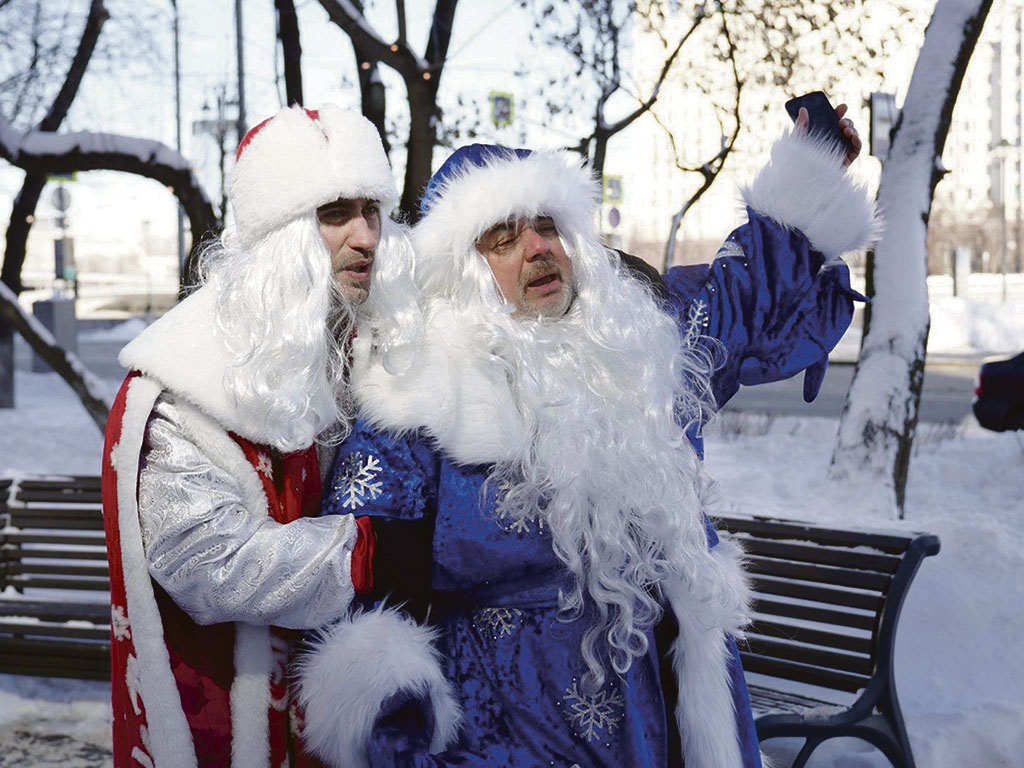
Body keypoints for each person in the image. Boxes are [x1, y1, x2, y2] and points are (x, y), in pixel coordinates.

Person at [296, 109, 877, 767]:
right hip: (515, 737)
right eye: (503, 238)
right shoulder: (412, 402)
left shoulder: (639, 349)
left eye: (549, 226)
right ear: (461, 276)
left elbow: (749, 296)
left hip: (681, 714)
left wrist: (812, 161)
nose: (538, 248)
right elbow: (363, 618)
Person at [99, 104, 415, 768]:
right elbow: (203, 561)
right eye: (335, 214)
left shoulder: (354, 356)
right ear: (280, 238)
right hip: (228, 723)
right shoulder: (182, 383)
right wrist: (365, 553)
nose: (366, 236)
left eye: (373, 211)